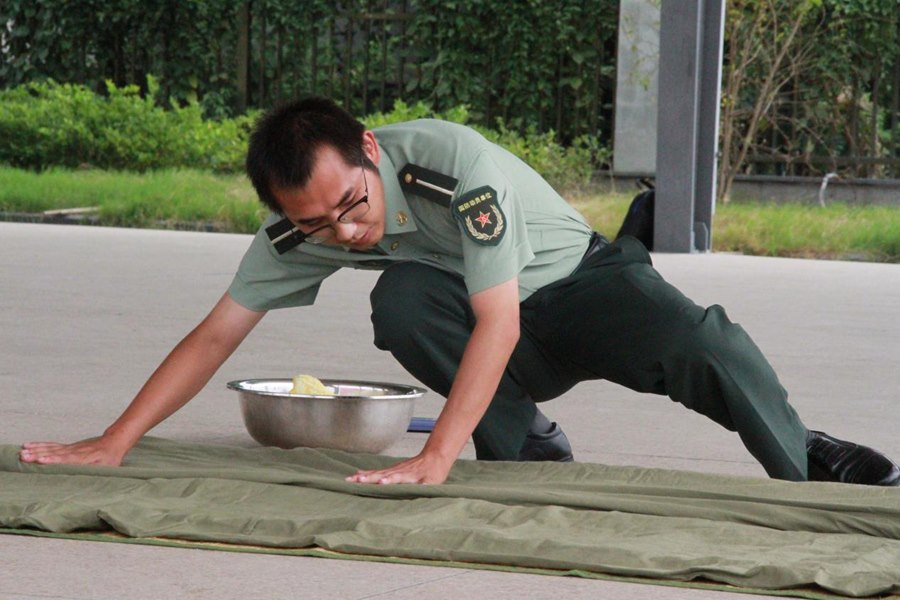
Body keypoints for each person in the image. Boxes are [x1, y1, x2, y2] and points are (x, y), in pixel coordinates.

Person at [19, 97, 899, 488]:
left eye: (352, 205)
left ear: (371, 148)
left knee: (707, 346)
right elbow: (217, 333)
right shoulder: (304, 225)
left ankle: (805, 455)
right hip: (492, 323)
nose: (344, 232)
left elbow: (500, 315)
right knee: (399, 298)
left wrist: (436, 452)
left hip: (581, 285)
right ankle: (528, 445)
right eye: (316, 224)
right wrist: (113, 441)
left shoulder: (450, 165)